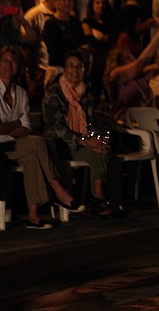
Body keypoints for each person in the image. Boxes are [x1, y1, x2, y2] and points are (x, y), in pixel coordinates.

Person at [0, 46, 84, 229]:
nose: (8, 65)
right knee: (39, 142)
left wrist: (8, 128)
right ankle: (59, 191)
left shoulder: (20, 93)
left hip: (18, 144)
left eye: (13, 61)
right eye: (5, 60)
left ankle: (33, 215)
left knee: (32, 157)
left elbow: (26, 127)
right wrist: (15, 125)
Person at [42, 49, 116, 218]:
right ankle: (97, 198)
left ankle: (97, 196)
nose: (75, 71)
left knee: (101, 149)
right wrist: (84, 140)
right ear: (64, 69)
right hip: (58, 142)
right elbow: (56, 128)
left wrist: (97, 138)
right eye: (70, 66)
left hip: (79, 140)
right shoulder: (54, 92)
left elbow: (89, 123)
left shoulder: (87, 91)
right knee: (92, 146)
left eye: (79, 66)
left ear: (84, 69)